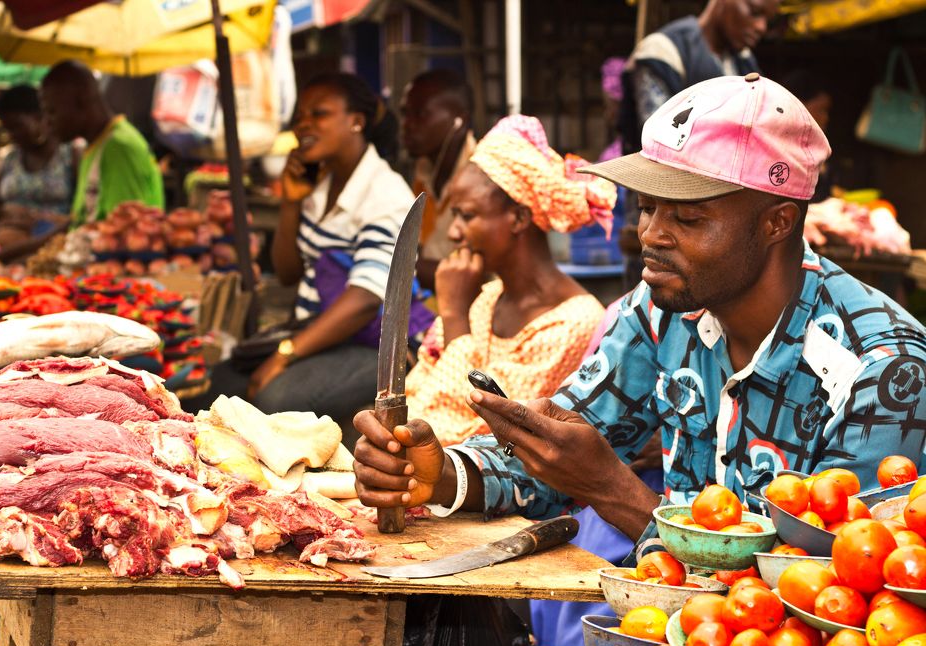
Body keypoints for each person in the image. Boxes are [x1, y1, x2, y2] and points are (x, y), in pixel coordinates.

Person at [350, 74, 926, 556]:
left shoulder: (882, 370)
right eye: (648, 208)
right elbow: (556, 447)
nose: (651, 235)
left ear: (777, 221)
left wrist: (610, 488)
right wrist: (439, 474)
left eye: (688, 219)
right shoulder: (659, 314)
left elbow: (835, 595)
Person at [184, 73, 418, 437]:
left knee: (271, 401)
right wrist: (290, 203)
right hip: (320, 335)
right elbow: (289, 272)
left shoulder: (385, 195)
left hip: (371, 346)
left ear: (356, 121)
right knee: (223, 380)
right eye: (299, 117)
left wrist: (285, 355)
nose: (303, 125)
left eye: (318, 114)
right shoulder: (320, 184)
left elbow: (364, 300)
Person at [405, 116, 614, 447]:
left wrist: (455, 313)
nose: (453, 232)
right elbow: (416, 398)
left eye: (467, 216)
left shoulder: (575, 322)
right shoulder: (486, 298)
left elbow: (485, 433)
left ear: (518, 218)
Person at [617, 0, 780, 289]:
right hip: (663, 213)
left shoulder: (742, 62)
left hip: (720, 222)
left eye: (767, 19)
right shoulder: (663, 52)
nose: (760, 27)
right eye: (754, 12)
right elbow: (662, 144)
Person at [39, 60, 163, 229]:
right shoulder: (97, 146)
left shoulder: (119, 150)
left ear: (82, 100)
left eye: (52, 111)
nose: (47, 122)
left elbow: (123, 232)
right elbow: (82, 221)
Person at [399, 69, 476, 290]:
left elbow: (469, 278)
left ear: (459, 119)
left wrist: (397, 265)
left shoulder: (482, 176)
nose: (407, 124)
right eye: (405, 114)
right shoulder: (424, 169)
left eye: (421, 114)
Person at [0, 85, 76, 259]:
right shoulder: (9, 160)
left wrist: (39, 219)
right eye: (6, 128)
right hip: (7, 255)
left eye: (17, 126)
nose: (11, 135)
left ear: (39, 117)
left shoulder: (70, 156)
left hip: (52, 253)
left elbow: (79, 216)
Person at [780, 69, 834, 202]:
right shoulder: (778, 147)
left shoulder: (814, 147)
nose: (826, 118)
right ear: (800, 105)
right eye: (821, 109)